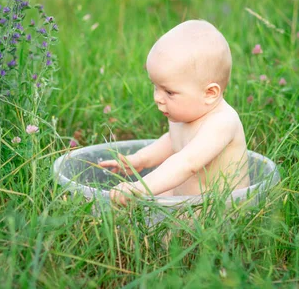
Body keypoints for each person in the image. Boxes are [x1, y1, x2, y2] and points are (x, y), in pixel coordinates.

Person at [99, 19, 250, 206]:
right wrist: (139, 160)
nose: (157, 98)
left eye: (169, 92)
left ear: (210, 93)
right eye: (155, 87)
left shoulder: (222, 122)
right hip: (187, 201)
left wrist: (140, 187)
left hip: (220, 210)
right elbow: (172, 141)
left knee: (151, 204)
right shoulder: (184, 114)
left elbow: (187, 162)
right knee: (133, 211)